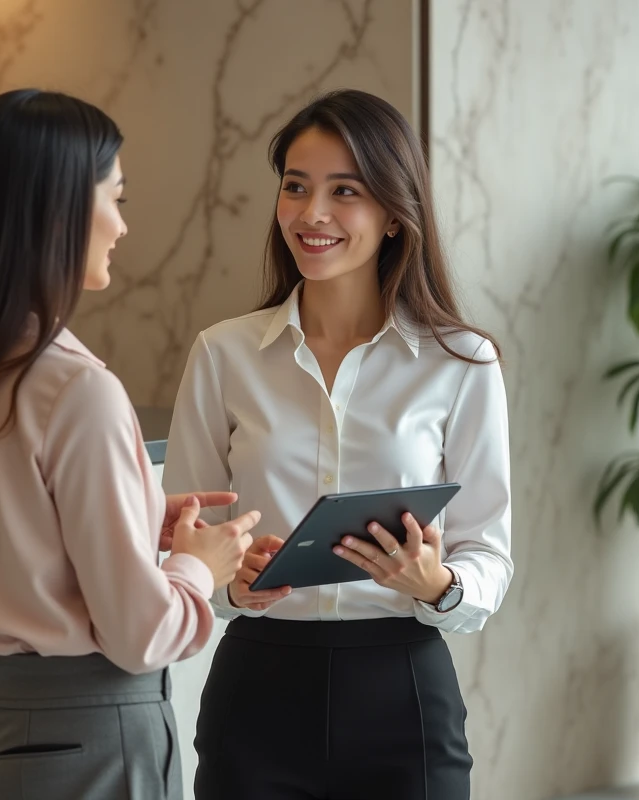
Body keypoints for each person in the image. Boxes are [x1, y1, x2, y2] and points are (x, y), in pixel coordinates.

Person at [0, 89, 260, 800]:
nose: (123, 226)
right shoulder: (77, 390)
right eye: (116, 199)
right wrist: (198, 568)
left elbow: (19, 536)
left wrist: (139, 521)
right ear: (59, 211)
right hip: (88, 740)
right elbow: (140, 634)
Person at [163, 89, 514, 800]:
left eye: (344, 191)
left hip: (404, 693)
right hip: (256, 692)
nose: (311, 214)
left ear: (395, 214)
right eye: (296, 187)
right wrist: (231, 581)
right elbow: (182, 537)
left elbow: (488, 550)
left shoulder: (461, 363)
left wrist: (437, 585)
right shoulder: (223, 355)